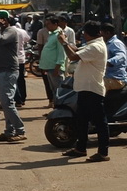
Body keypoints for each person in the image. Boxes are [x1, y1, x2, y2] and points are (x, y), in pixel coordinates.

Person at [58, 21, 110, 162]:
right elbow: (77, 50)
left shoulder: (96, 47)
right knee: (82, 120)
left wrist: (63, 43)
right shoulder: (92, 45)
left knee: (100, 122)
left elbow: (73, 56)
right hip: (85, 88)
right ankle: (80, 148)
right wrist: (67, 42)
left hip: (92, 89)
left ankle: (103, 152)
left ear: (87, 34)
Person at [0, 11, 26, 142]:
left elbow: (1, 41)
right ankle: (9, 131)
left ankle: (20, 130)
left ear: (5, 20)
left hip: (8, 71)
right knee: (6, 102)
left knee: (7, 103)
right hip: (0, 71)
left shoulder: (11, 31)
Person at [38, 15, 66, 107]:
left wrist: (57, 67)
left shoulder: (59, 35)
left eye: (49, 24)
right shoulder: (52, 35)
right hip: (49, 67)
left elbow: (61, 52)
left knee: (59, 91)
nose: (47, 26)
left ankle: (61, 109)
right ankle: (56, 108)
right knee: (54, 90)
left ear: (55, 24)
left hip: (55, 68)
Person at [100, 23, 126, 91]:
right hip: (107, 76)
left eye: (102, 35)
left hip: (115, 79)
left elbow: (121, 56)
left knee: (94, 86)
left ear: (107, 33)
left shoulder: (116, 43)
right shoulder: (106, 43)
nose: (101, 37)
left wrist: (107, 62)